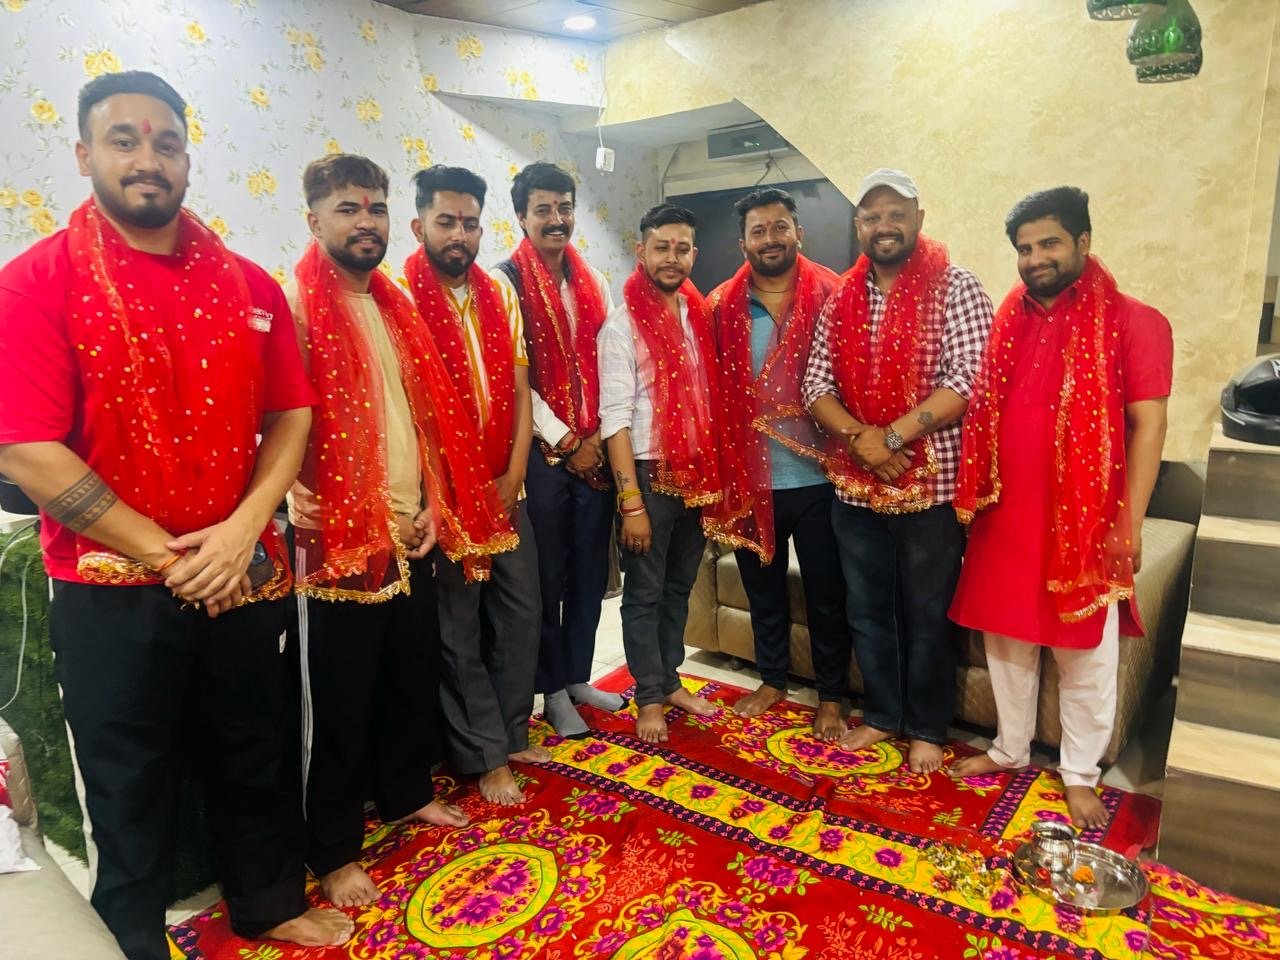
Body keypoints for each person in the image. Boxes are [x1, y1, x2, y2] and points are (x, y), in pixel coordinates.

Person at [0, 71, 351, 959]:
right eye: (123, 140)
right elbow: (25, 450)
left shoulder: (249, 285)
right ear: (84, 154)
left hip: (242, 569)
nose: (146, 159)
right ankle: (130, 941)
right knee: (129, 782)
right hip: (111, 588)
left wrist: (242, 531)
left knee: (256, 751)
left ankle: (266, 905)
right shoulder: (35, 283)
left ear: (188, 159)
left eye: (166, 143)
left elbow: (292, 414)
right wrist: (173, 556)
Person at [285, 154, 514, 905]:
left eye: (375, 208)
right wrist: (292, 488)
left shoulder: (394, 305)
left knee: (407, 675)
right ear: (314, 219)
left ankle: (406, 792)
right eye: (348, 209)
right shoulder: (296, 304)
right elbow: (272, 419)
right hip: (336, 538)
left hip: (412, 528)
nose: (366, 222)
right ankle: (333, 849)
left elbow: (426, 422)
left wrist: (434, 506)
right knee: (341, 698)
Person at [948, 187, 1172, 829]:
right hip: (1006, 513)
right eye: (1024, 248)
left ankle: (1079, 772)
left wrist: (1129, 522)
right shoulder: (1009, 319)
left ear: (1083, 242)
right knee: (1008, 642)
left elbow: (1149, 428)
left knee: (1084, 651)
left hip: (1087, 521)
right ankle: (1009, 748)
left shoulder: (1134, 321)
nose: (1035, 258)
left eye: (1048, 243)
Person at [802, 168, 994, 774]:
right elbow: (815, 384)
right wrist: (862, 442)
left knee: (926, 614)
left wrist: (889, 438)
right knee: (867, 611)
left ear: (918, 219)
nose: (883, 226)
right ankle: (884, 716)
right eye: (871, 216)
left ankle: (928, 729)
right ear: (858, 225)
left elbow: (967, 379)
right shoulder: (842, 297)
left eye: (895, 214)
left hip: (931, 490)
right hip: (856, 489)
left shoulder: (956, 286)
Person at [403, 164, 547, 805]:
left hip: (505, 487)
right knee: (457, 629)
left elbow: (519, 389)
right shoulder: (398, 297)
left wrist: (515, 473)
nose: (459, 234)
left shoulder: (498, 293)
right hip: (444, 496)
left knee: (520, 614)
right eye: (446, 222)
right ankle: (484, 755)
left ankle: (511, 731)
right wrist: (444, 492)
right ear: (419, 227)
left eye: (469, 223)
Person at [703, 187, 849, 739]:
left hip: (822, 477)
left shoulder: (834, 295)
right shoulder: (721, 307)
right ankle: (771, 680)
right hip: (750, 477)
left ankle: (831, 696)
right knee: (761, 589)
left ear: (798, 233)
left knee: (827, 593)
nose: (770, 239)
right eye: (758, 231)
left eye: (780, 227)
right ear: (742, 243)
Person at [491, 162, 626, 738]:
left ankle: (576, 677)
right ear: (521, 217)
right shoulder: (504, 282)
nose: (556, 219)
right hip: (542, 456)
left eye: (564, 207)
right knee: (546, 579)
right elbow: (513, 378)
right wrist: (568, 441)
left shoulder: (594, 280)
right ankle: (549, 691)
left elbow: (609, 362)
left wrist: (596, 439)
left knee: (590, 574)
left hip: (595, 452)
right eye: (543, 209)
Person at [598, 203, 722, 744]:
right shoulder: (621, 325)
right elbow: (615, 421)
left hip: (697, 473)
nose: (672, 257)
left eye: (682, 248)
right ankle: (648, 696)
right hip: (648, 474)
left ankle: (669, 680)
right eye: (661, 247)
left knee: (679, 588)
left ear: (693, 253)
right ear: (641, 251)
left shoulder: (697, 315)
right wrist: (631, 502)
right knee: (644, 593)